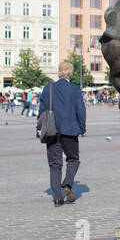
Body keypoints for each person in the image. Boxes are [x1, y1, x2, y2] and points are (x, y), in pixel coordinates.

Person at [38, 62, 87, 207]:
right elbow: (80, 109)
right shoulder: (74, 89)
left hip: (51, 130)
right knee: (73, 159)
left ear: (58, 73)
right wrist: (82, 127)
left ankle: (58, 199)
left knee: (54, 164)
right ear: (70, 74)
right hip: (70, 130)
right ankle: (67, 184)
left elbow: (42, 110)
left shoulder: (48, 88)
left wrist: (39, 128)